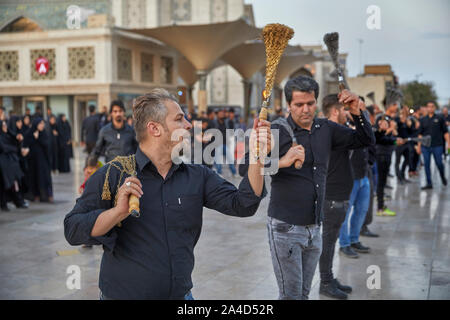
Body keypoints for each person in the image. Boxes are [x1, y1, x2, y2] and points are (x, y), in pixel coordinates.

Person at [64, 88, 270, 300]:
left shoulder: (197, 176)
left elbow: (244, 203)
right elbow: (72, 229)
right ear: (154, 128)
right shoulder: (114, 175)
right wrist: (117, 212)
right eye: (180, 119)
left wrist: (258, 153)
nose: (189, 125)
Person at [241, 76, 375, 300]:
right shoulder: (276, 131)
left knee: (303, 294)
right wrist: (283, 161)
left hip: (315, 227)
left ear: (316, 101)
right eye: (299, 105)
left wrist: (357, 112)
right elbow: (244, 167)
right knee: (291, 296)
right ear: (288, 105)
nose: (306, 109)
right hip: (285, 227)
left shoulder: (326, 128)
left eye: (310, 103)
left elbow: (365, 140)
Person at [318, 94, 355, 299]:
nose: (347, 113)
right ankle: (325, 281)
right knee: (328, 241)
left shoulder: (335, 132)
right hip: (331, 197)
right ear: (335, 111)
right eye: (345, 110)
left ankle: (328, 277)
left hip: (337, 195)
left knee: (331, 241)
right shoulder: (328, 132)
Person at [418, 101, 449, 189]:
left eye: (432, 106)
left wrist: (449, 144)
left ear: (434, 108)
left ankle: (442, 177)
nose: (430, 108)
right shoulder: (423, 119)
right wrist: (419, 146)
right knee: (426, 165)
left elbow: (445, 133)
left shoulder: (440, 118)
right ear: (427, 108)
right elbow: (420, 134)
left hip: (437, 145)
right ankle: (429, 183)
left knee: (439, 163)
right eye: (428, 106)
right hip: (425, 146)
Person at [23, 117, 53, 203]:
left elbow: (47, 145)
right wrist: (33, 138)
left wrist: (38, 138)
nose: (42, 125)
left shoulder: (44, 133)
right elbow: (26, 145)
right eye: (40, 124)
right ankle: (34, 195)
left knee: (43, 177)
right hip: (32, 161)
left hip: (43, 161)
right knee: (33, 177)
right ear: (36, 125)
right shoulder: (29, 133)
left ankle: (44, 196)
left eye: (43, 124)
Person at [0, 120, 27, 210]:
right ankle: (5, 204)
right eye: (3, 126)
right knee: (5, 184)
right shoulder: (1, 137)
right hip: (4, 164)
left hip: (12, 164)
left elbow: (15, 143)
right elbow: (4, 148)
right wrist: (14, 148)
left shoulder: (7, 135)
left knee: (14, 183)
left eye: (5, 125)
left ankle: (18, 202)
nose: (5, 127)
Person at [213, 108, 237, 177]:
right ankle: (219, 172)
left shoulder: (226, 122)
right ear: (217, 115)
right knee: (218, 160)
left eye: (222, 114)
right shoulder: (215, 122)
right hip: (217, 144)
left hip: (225, 143)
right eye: (220, 113)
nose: (222, 115)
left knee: (230, 158)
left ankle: (234, 172)